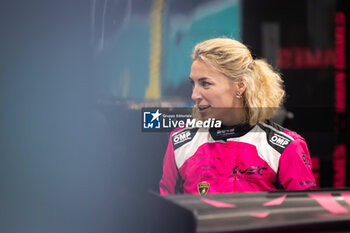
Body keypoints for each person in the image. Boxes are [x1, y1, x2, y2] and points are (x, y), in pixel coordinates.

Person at [159, 38, 316, 195]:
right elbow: (167, 214)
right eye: (193, 84)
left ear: (240, 86)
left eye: (205, 83)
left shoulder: (286, 148)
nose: (194, 95)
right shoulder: (180, 143)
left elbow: (303, 215)